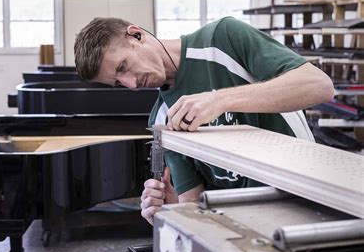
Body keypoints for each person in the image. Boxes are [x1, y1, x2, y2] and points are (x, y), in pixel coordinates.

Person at [74, 16, 335, 225]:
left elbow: (319, 86)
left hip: (303, 207)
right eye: (118, 83)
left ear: (136, 35)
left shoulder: (223, 40)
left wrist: (219, 100)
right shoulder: (164, 116)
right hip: (245, 231)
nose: (131, 84)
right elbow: (192, 204)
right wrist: (169, 211)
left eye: (123, 67)